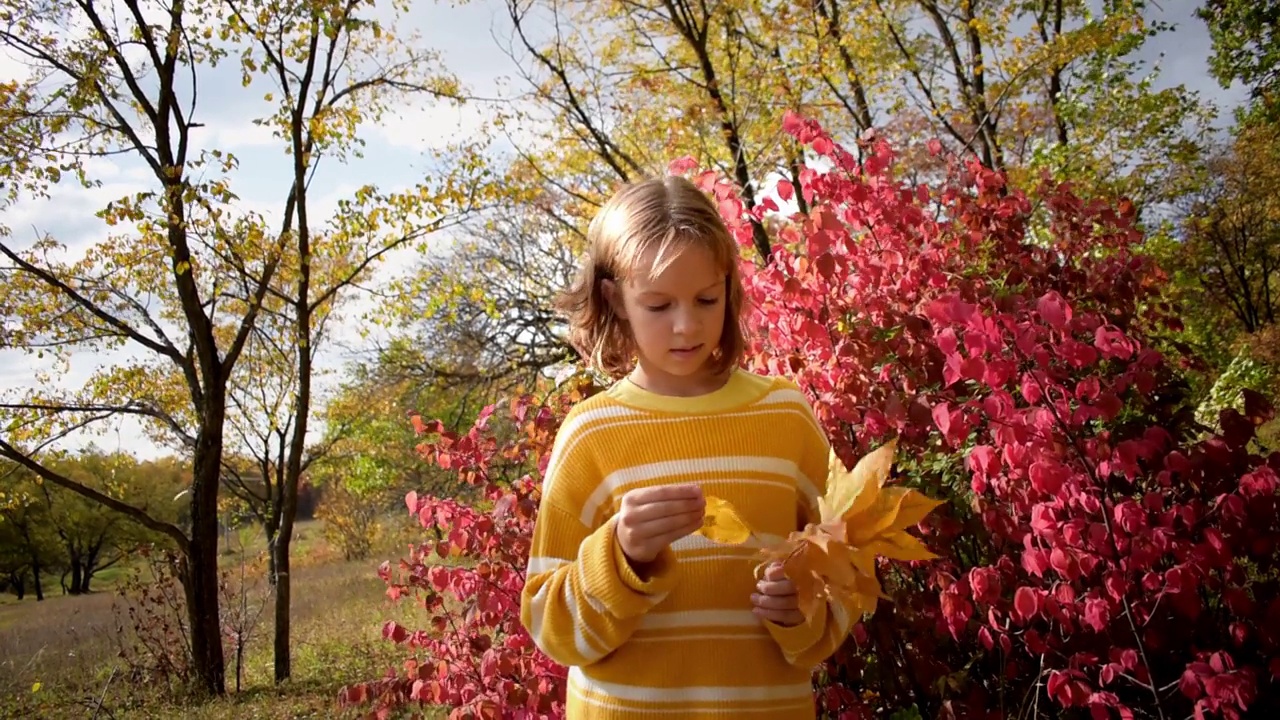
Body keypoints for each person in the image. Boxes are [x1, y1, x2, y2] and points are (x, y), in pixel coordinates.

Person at [520, 175, 856, 719]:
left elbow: (847, 567)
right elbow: (550, 627)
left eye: (706, 298)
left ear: (728, 286)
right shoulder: (591, 433)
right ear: (615, 299)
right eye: (657, 305)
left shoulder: (785, 416)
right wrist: (621, 556)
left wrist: (804, 609)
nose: (686, 324)